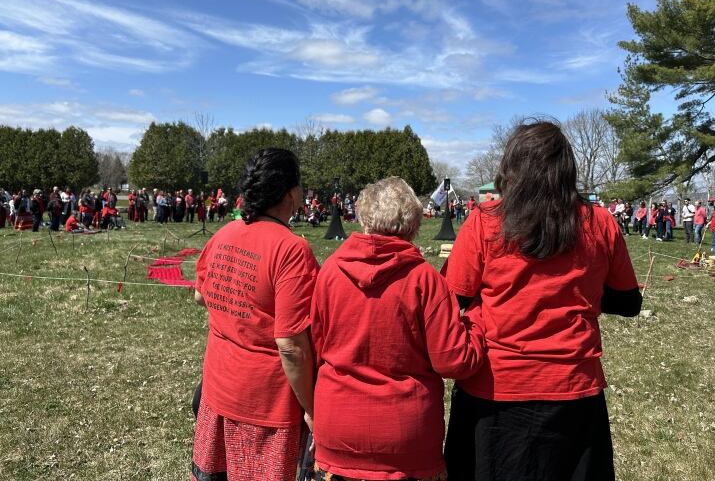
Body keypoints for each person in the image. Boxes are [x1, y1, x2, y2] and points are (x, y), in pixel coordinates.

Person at [442, 121, 642, 481]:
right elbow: (628, 301)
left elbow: (453, 297)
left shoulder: (485, 222)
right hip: (571, 389)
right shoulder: (599, 223)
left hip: (496, 388)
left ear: (511, 168)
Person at [310, 177, 485, 481]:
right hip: (406, 436)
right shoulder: (425, 279)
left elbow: (316, 347)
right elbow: (455, 361)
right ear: (414, 225)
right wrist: (478, 322)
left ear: (363, 218)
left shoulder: (330, 271)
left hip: (338, 427)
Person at [191, 148, 319, 481]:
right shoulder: (292, 249)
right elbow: (291, 345)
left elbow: (198, 295)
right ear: (290, 194)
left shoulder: (224, 234)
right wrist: (312, 409)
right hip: (264, 405)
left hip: (217, 387)